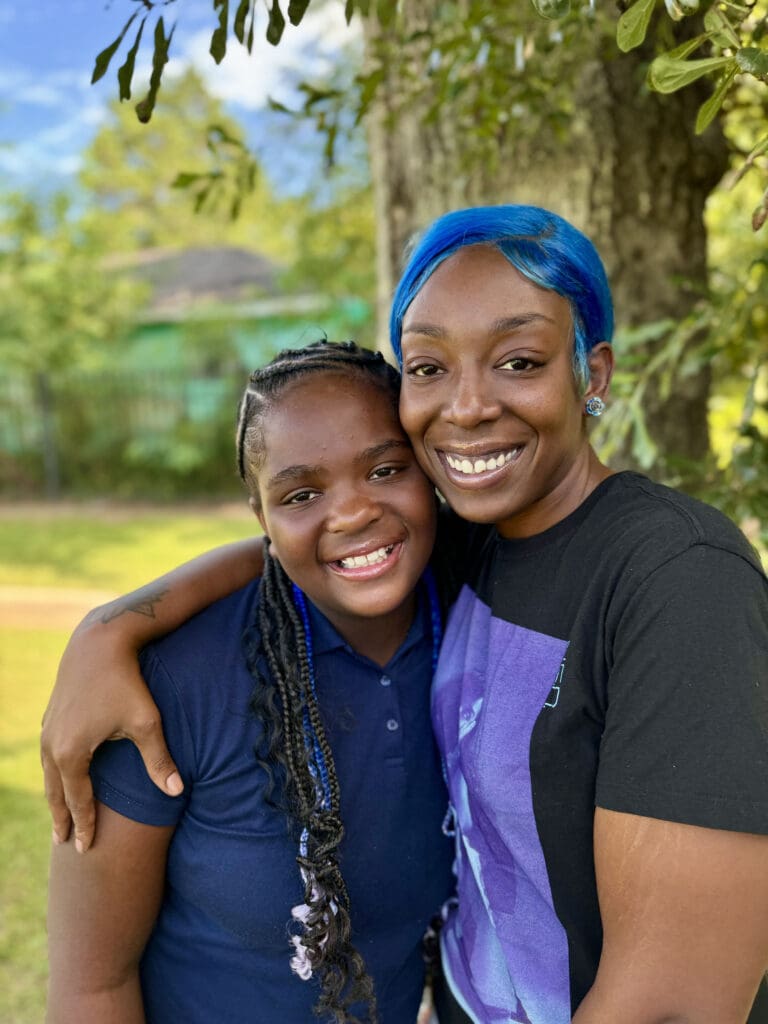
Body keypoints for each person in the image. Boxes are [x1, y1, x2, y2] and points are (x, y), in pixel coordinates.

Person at [43, 206, 768, 1024]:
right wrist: (115, 625)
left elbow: (675, 1003)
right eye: (428, 368)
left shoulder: (676, 579)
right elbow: (336, 540)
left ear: (592, 375)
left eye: (519, 360)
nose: (465, 406)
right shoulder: (474, 546)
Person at [46, 341, 456, 1024]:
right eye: (302, 494)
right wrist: (105, 630)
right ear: (262, 518)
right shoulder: (173, 686)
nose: (353, 512)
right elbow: (91, 985)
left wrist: (106, 625)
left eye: (386, 469)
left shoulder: (476, 620)